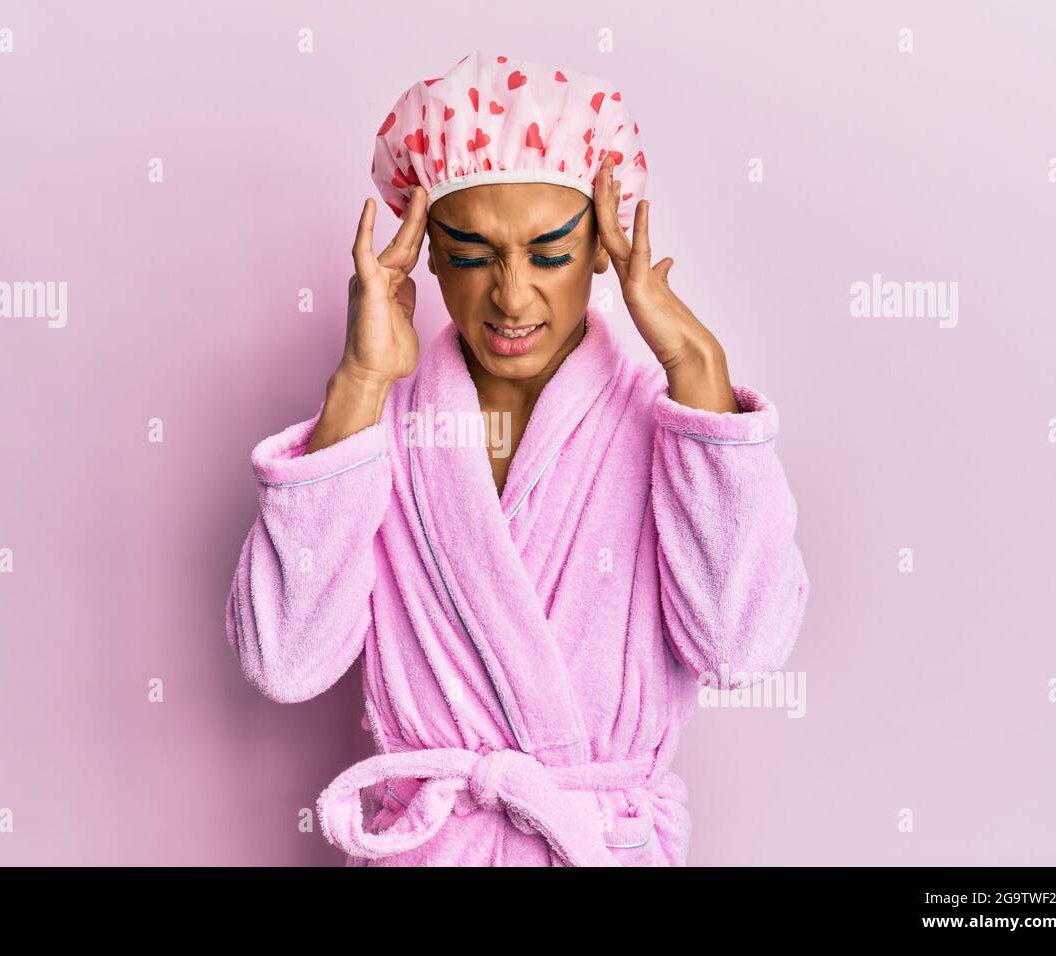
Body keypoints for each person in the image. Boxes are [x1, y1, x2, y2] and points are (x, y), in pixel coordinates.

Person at [225, 50, 809, 866]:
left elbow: (739, 651)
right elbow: (286, 663)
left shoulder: (668, 421)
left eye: (548, 254)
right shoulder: (376, 429)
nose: (511, 295)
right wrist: (357, 383)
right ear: (425, 252)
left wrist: (700, 373)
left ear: (603, 248)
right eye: (471, 254)